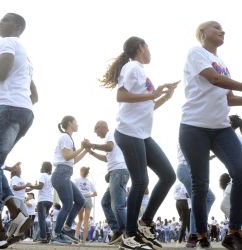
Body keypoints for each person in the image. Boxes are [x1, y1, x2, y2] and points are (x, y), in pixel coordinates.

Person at [100, 36, 178, 250]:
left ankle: (145, 223)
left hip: (142, 134)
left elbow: (146, 107)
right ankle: (129, 235)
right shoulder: (132, 66)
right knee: (141, 182)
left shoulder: (140, 71)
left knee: (169, 175)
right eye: (148, 46)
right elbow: (121, 96)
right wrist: (153, 93)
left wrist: (164, 97)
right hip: (128, 133)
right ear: (140, 48)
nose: (150, 51)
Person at [179, 21, 242, 249]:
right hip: (194, 127)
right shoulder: (196, 52)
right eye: (216, 28)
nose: (222, 30)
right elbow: (214, 79)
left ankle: (234, 232)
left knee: (241, 171)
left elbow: (230, 98)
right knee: (200, 184)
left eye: (223, 28)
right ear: (203, 33)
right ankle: (201, 233)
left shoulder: (223, 64)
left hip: (221, 128)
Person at [0, 12, 38, 248]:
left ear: (17, 26)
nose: (0, 23)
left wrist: (3, 106)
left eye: (5, 20)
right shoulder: (27, 58)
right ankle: (16, 214)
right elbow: (35, 96)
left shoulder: (7, 42)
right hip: (24, 112)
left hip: (9, 109)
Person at [82, 120, 129, 245]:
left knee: (118, 205)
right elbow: (106, 158)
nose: (97, 134)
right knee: (105, 202)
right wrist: (90, 152)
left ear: (102, 127)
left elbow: (109, 147)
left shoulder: (111, 133)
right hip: (116, 173)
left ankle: (128, 233)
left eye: (96, 131)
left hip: (118, 172)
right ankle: (117, 230)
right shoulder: (109, 139)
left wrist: (92, 145)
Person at [50, 116, 86, 245]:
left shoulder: (69, 139)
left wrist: (85, 150)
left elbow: (72, 161)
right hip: (61, 173)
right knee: (67, 205)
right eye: (76, 122)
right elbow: (66, 156)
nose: (78, 124)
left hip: (65, 173)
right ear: (70, 123)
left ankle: (66, 228)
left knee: (80, 200)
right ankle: (56, 235)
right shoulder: (65, 137)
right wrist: (82, 147)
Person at [176, 145, 215, 248]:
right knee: (198, 201)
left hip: (189, 169)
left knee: (209, 198)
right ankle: (194, 234)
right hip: (186, 169)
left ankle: (197, 229)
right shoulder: (189, 133)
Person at [29, 162, 53, 243]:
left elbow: (40, 186)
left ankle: (43, 237)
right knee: (44, 219)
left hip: (42, 200)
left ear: (43, 167)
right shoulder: (50, 177)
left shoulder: (42, 175)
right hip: (49, 201)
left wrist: (31, 185)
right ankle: (48, 234)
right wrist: (34, 186)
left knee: (41, 219)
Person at [74, 166, 97, 243]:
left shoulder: (76, 180)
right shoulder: (90, 182)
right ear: (87, 173)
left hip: (80, 199)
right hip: (88, 200)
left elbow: (73, 190)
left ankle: (76, 238)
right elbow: (95, 193)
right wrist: (90, 195)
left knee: (80, 220)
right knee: (86, 221)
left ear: (80, 171)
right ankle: (84, 240)